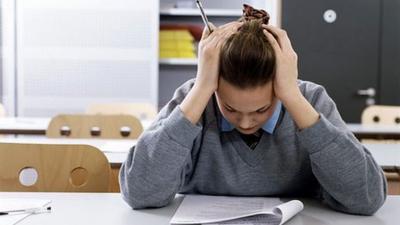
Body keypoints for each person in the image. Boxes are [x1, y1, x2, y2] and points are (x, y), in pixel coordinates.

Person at [119, 5, 386, 215]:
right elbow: (140, 193)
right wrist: (201, 87)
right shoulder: (196, 98)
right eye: (230, 108)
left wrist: (292, 95)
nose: (246, 123)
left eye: (262, 109)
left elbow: (367, 199)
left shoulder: (309, 99)